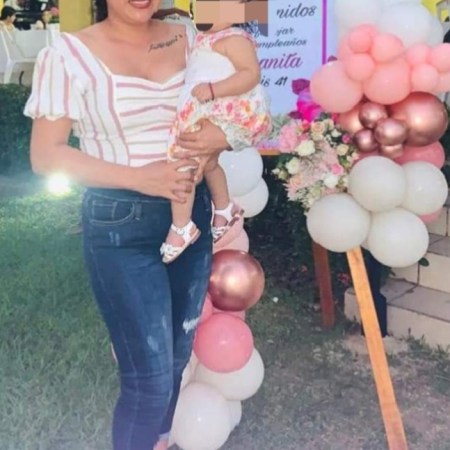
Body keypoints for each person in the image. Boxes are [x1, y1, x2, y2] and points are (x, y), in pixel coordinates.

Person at [23, 1, 269, 450]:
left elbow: (244, 107)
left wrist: (220, 138)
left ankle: (158, 440)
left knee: (176, 360)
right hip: (121, 225)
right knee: (149, 378)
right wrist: (141, 178)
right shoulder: (68, 55)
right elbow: (46, 155)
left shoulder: (190, 36)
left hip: (190, 217)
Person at [160, 21, 271, 263]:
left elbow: (250, 74)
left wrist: (213, 89)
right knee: (209, 164)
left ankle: (181, 226)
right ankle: (224, 208)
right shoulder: (200, 36)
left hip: (219, 108)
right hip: (201, 109)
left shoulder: (234, 38)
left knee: (183, 167)